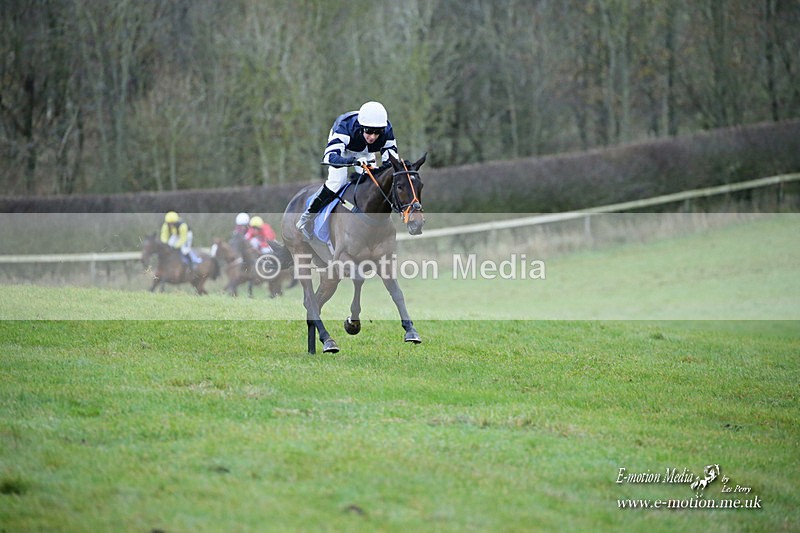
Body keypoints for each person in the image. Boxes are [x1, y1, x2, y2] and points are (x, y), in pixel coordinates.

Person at [296, 101, 399, 240]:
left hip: (365, 152)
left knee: (372, 183)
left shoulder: (387, 130)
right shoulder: (344, 127)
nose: (373, 137)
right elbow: (329, 157)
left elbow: (391, 164)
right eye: (369, 131)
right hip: (344, 149)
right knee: (337, 182)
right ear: (361, 127)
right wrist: (352, 161)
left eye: (378, 132)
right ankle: (308, 216)